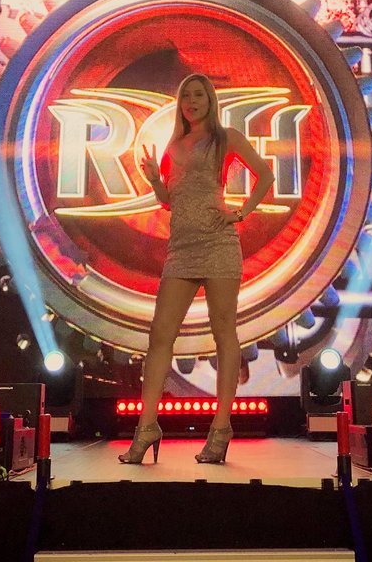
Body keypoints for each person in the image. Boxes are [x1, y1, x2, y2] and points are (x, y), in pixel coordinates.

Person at [118, 73, 275, 465]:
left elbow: (266, 174)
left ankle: (221, 428)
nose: (192, 101)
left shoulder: (226, 138)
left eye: (199, 95)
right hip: (181, 249)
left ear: (210, 99)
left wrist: (241, 212)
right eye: (186, 95)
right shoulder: (174, 144)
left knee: (224, 334)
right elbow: (170, 200)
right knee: (160, 336)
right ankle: (146, 426)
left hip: (219, 244)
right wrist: (155, 180)